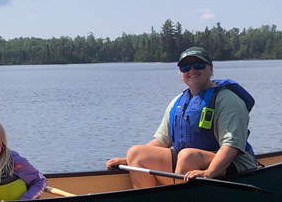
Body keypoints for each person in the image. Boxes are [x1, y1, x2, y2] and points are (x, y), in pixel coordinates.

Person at [106, 46, 256, 188]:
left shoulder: (228, 101)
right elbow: (162, 141)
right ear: (181, 74)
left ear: (210, 69)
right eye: (185, 67)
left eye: (199, 65)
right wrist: (129, 160)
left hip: (233, 163)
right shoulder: (177, 102)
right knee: (136, 153)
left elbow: (231, 146)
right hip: (190, 162)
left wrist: (209, 173)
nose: (192, 70)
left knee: (187, 156)